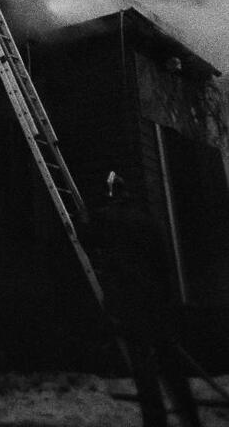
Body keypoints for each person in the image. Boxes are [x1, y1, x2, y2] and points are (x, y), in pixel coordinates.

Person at [84, 172, 201, 427]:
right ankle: (190, 416)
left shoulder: (106, 218)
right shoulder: (147, 219)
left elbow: (87, 237)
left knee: (143, 365)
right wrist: (166, 299)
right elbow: (162, 263)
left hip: (130, 302)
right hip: (155, 302)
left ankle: (156, 420)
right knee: (169, 362)